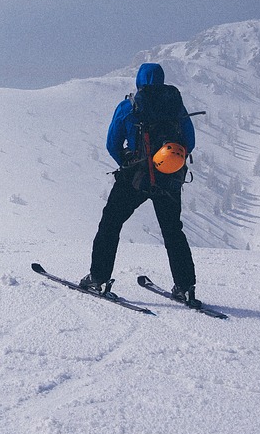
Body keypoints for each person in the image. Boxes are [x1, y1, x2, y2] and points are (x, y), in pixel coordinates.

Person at [79, 62, 200, 305]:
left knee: (111, 223)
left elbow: (112, 143)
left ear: (138, 80)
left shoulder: (129, 106)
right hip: (169, 179)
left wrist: (127, 161)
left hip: (135, 177)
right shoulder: (177, 107)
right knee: (173, 231)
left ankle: (98, 278)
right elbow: (190, 141)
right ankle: (185, 287)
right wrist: (169, 164)